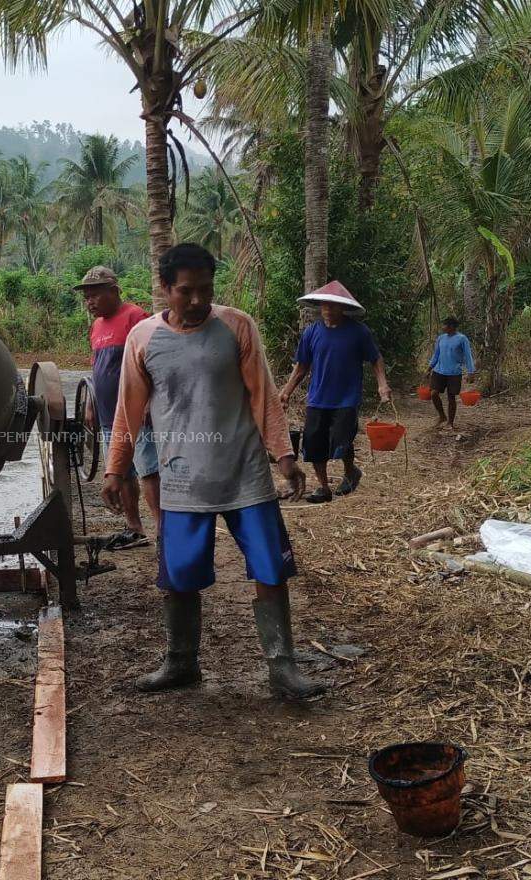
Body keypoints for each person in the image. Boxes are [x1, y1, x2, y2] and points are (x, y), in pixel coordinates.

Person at [102, 243, 325, 700]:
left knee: (270, 569)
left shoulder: (237, 326)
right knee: (179, 575)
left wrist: (283, 455)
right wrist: (115, 468)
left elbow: (263, 393)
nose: (198, 300)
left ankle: (283, 668)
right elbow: (129, 409)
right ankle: (181, 662)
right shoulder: (143, 339)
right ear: (165, 289)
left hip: (245, 474)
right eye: (186, 291)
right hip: (182, 481)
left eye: (206, 289)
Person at [280, 281, 391, 504]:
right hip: (317, 398)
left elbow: (375, 358)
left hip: (346, 398)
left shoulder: (359, 332)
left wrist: (382, 384)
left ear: (343, 308)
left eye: (333, 306)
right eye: (324, 305)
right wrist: (286, 391)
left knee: (342, 441)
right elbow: (301, 366)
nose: (328, 310)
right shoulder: (311, 333)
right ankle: (323, 488)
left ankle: (350, 471)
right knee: (313, 443)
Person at [75, 265, 160, 549]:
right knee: (122, 473)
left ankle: (163, 531)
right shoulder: (97, 327)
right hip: (110, 415)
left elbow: (153, 362)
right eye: (86, 297)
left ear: (113, 291)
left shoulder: (136, 317)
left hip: (139, 414)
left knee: (149, 469)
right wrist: (90, 403)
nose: (90, 302)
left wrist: (149, 400)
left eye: (95, 295)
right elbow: (97, 367)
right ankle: (135, 528)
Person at [427, 316, 475, 430]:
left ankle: (450, 422)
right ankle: (442, 416)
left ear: (452, 327)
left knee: (451, 397)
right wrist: (429, 368)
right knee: (433, 393)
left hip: (454, 372)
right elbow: (436, 354)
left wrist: (470, 372)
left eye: (445, 325)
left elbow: (468, 356)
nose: (443, 327)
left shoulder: (462, 339)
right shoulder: (441, 338)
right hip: (439, 371)